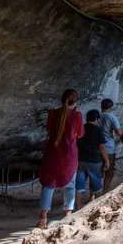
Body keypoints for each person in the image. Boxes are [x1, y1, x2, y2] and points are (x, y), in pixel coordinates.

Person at [37, 89, 84, 229]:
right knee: (70, 184)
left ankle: (43, 219)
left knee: (48, 184)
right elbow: (80, 134)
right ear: (75, 102)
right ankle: (68, 215)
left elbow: (49, 130)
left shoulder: (52, 114)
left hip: (53, 153)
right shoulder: (77, 116)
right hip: (69, 154)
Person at [75, 109, 107, 204]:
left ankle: (78, 206)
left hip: (81, 159)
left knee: (79, 185)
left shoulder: (81, 128)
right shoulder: (97, 130)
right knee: (97, 184)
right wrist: (107, 160)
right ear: (97, 119)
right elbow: (101, 147)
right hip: (95, 160)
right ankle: (97, 206)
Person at [97, 98, 123, 192]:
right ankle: (104, 192)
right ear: (111, 107)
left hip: (96, 148)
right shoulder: (112, 117)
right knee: (109, 173)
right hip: (108, 148)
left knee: (97, 173)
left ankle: (93, 194)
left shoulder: (97, 116)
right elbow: (118, 132)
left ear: (101, 106)